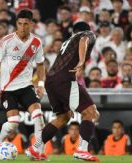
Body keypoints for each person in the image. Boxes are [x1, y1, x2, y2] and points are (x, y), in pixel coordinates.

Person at [28, 22, 100, 161]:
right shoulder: (86, 34)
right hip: (64, 79)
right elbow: (84, 39)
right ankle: (82, 150)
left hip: (51, 80)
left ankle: (35, 148)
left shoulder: (66, 42)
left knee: (63, 117)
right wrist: (81, 61)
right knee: (91, 112)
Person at [0, 9, 46, 160]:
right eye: (20, 24)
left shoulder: (36, 42)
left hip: (26, 87)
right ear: (16, 24)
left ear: (31, 24)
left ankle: (38, 151)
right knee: (13, 123)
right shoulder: (6, 41)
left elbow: (41, 65)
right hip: (7, 88)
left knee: (38, 116)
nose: (22, 27)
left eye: (26, 24)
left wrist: (41, 84)